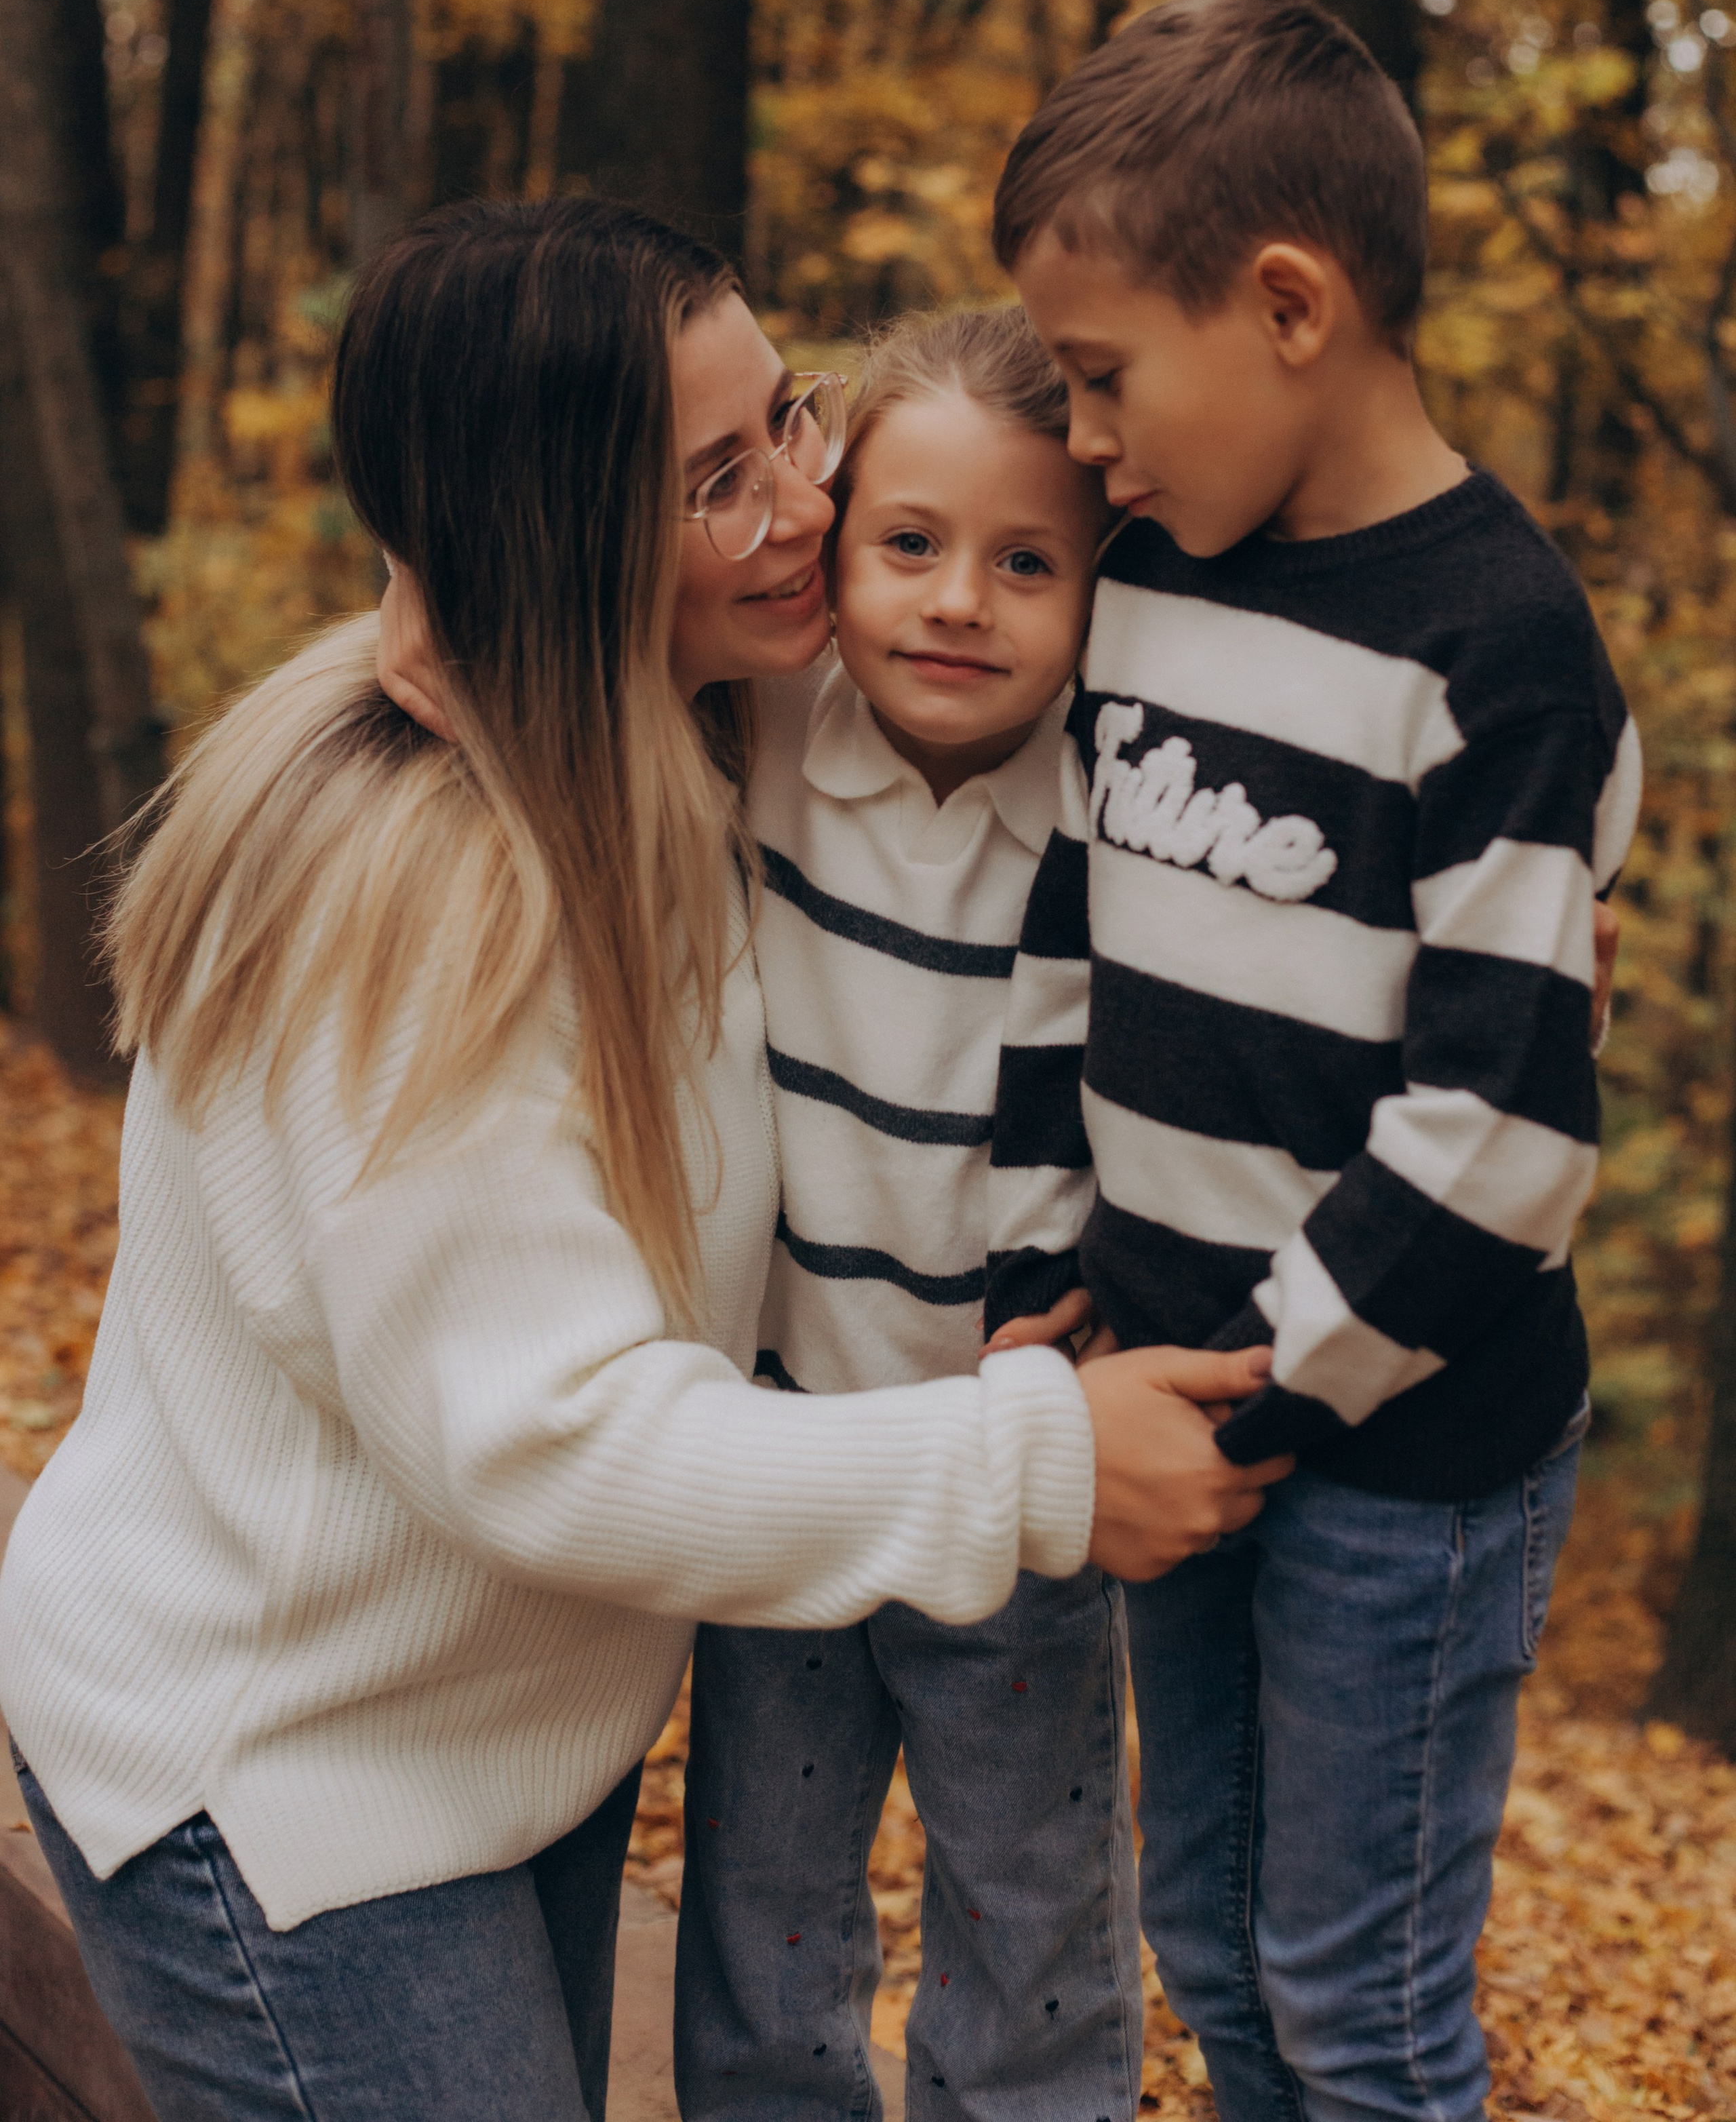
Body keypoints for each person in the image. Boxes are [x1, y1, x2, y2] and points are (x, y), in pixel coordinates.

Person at [0, 197, 1282, 2122]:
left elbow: (1117, 625)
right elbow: (554, 1439)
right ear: (561, 544)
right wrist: (1042, 1458)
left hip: (513, 1732)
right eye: (713, 480)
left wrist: (1453, 903)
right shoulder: (413, 895)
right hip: (281, 1771)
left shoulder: (679, 719)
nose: (804, 504)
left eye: (790, 415)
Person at [983, 0, 1644, 2122]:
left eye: (1102, 380)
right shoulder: (1158, 581)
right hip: (1175, 1400)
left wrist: (1270, 1394)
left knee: (1356, 2004)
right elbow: (1073, 935)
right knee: (1217, 1955)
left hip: (1392, 1455)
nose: (1084, 444)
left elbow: (1509, 1129)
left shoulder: (1502, 656)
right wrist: (1037, 1267)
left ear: (1287, 302)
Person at [677, 309, 1146, 2122]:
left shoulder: (1121, 805)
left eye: (1028, 563)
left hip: (1019, 1473)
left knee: (1031, 1934)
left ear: (1104, 590)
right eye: (910, 545)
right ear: (840, 545)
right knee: (767, 1925)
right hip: (786, 1459)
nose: (959, 600)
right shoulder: (768, 723)